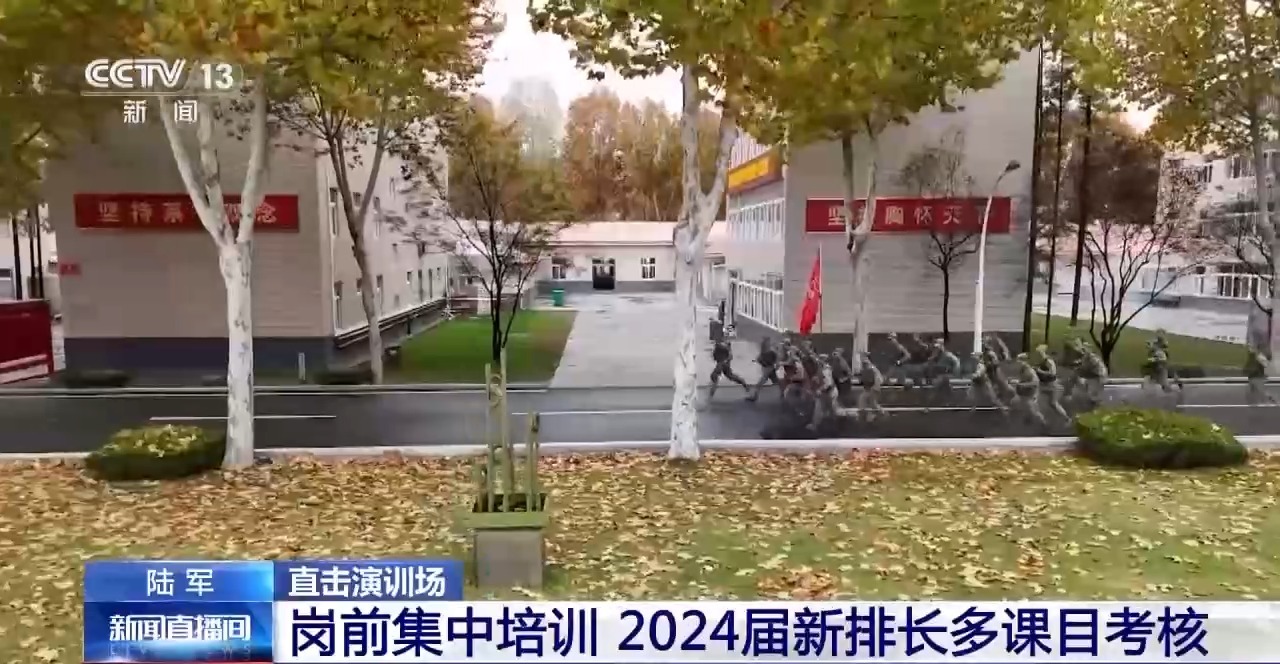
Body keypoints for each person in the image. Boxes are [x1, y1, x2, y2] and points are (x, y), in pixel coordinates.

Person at [1034, 344, 1070, 423]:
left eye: (1039, 352)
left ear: (1044, 352)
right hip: (1042, 384)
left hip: (1051, 385)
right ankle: (1040, 421)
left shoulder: (1049, 361)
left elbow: (1052, 373)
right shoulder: (1042, 361)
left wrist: (1039, 371)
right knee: (1035, 401)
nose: (1038, 354)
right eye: (1037, 352)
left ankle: (1066, 419)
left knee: (1053, 404)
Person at [1007, 353, 1044, 426]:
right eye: (1018, 360)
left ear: (1025, 361)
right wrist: (1016, 381)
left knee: (1035, 412)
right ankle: (1025, 420)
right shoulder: (1023, 369)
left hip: (1030, 395)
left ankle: (1044, 424)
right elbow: (1024, 380)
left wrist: (1020, 384)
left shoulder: (1030, 371)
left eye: (1020, 360)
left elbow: (1035, 383)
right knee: (1013, 403)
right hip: (1023, 394)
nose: (1018, 362)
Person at [967, 350, 1008, 415]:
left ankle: (1002, 410)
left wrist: (974, 376)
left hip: (984, 384)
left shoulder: (982, 365)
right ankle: (974, 409)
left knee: (992, 398)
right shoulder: (978, 365)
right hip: (979, 384)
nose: (973, 357)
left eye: (974, 356)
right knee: (977, 398)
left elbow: (980, 373)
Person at [808, 355, 841, 432]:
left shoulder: (826, 370)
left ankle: (817, 426)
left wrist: (820, 389)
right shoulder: (822, 369)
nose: (818, 361)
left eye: (820, 360)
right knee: (825, 409)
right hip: (827, 392)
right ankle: (817, 425)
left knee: (829, 410)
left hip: (830, 392)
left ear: (824, 360)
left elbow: (828, 383)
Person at [925, 338, 960, 411]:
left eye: (938, 347)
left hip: (945, 375)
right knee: (947, 390)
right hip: (938, 375)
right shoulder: (935, 355)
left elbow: (956, 363)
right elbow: (930, 364)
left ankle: (927, 406)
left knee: (937, 388)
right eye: (936, 347)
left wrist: (955, 373)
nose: (936, 349)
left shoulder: (948, 355)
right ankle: (953, 404)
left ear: (942, 346)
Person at [747, 337, 782, 402]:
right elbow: (759, 358)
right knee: (777, 381)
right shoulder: (764, 351)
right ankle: (754, 396)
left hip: (769, 368)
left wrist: (776, 366)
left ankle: (754, 396)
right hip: (768, 369)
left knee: (762, 383)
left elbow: (777, 360)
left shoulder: (772, 352)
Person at [855, 352, 886, 422]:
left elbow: (873, 379)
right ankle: (863, 414)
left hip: (874, 387)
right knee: (863, 399)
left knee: (872, 403)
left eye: (863, 356)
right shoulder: (867, 366)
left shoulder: (869, 366)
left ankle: (881, 414)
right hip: (870, 387)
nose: (861, 358)